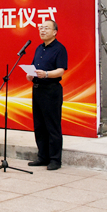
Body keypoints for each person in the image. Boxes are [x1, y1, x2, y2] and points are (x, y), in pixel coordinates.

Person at [27, 19, 67, 171]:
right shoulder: (39, 48)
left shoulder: (59, 49)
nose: (42, 30)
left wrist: (46, 74)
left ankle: (55, 160)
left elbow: (61, 70)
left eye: (46, 28)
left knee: (52, 126)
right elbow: (34, 67)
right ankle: (42, 157)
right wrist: (30, 75)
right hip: (37, 89)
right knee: (39, 126)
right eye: (41, 28)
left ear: (55, 32)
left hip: (51, 90)